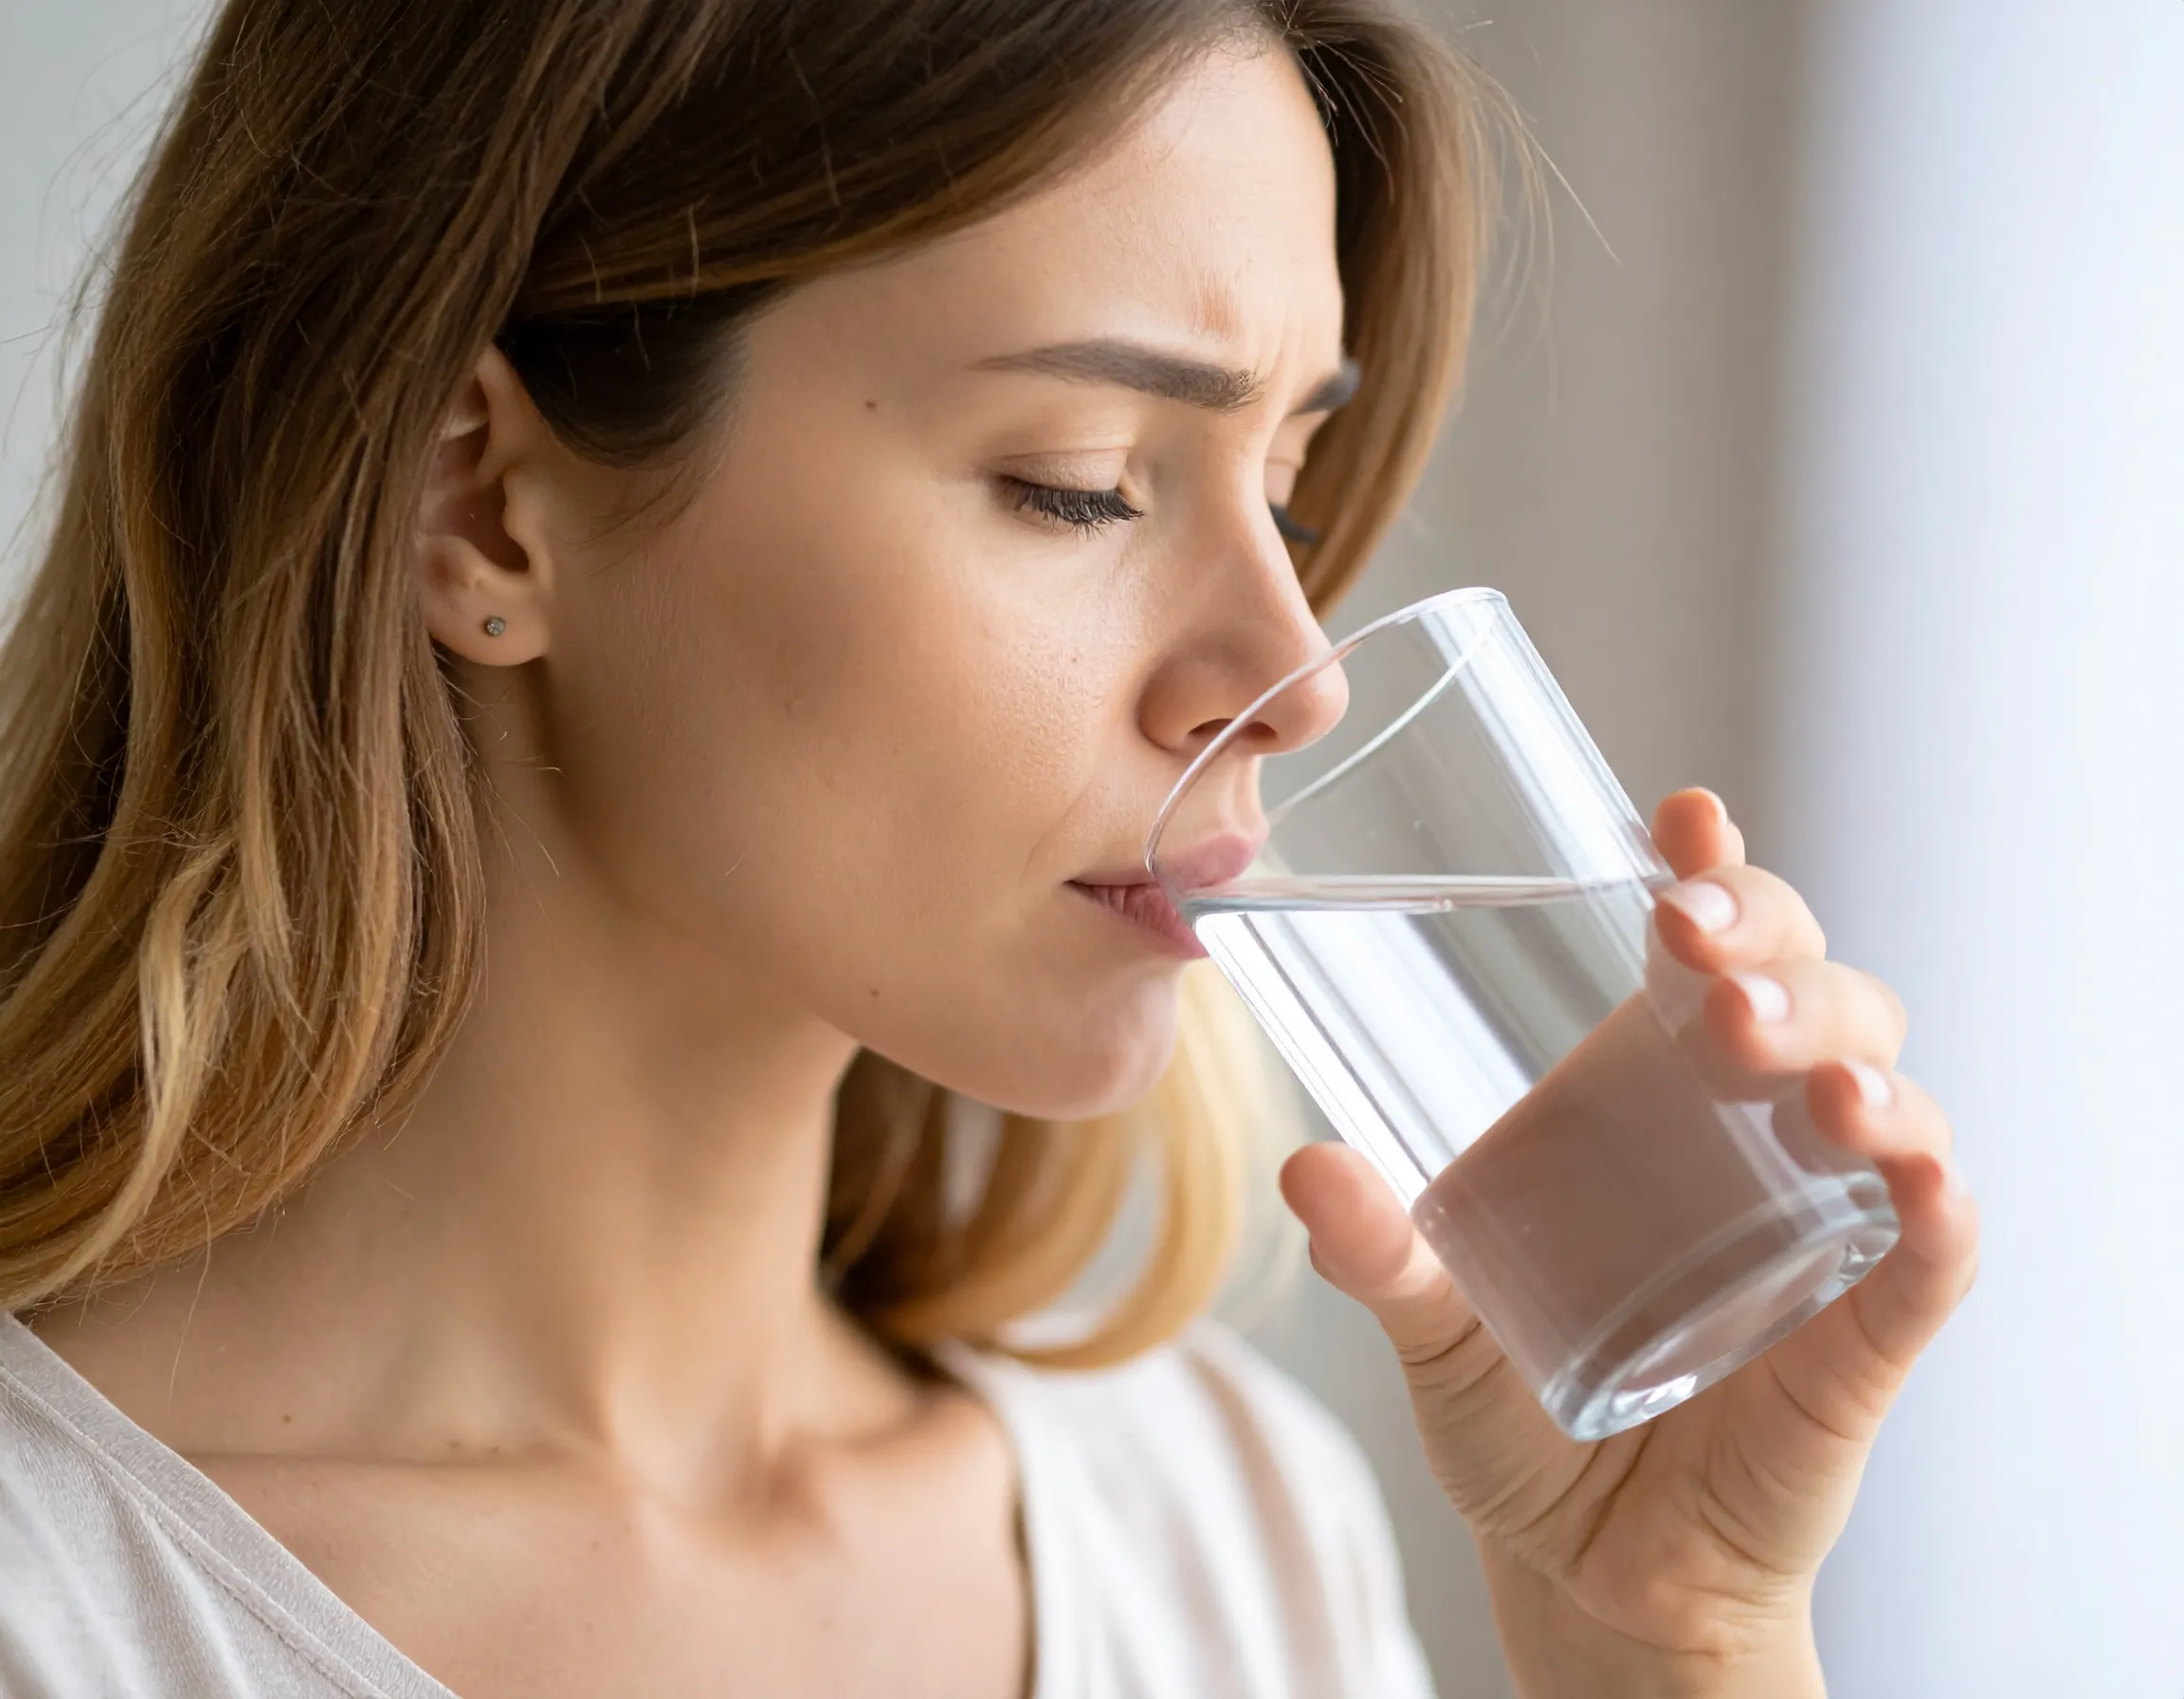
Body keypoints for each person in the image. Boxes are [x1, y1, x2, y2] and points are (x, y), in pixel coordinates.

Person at [0, 2, 1979, 1694]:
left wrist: (1677, 1633)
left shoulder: (1230, 1542)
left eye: (1287, 485)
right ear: (486, 511)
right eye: (1084, 488)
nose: (1290, 674)